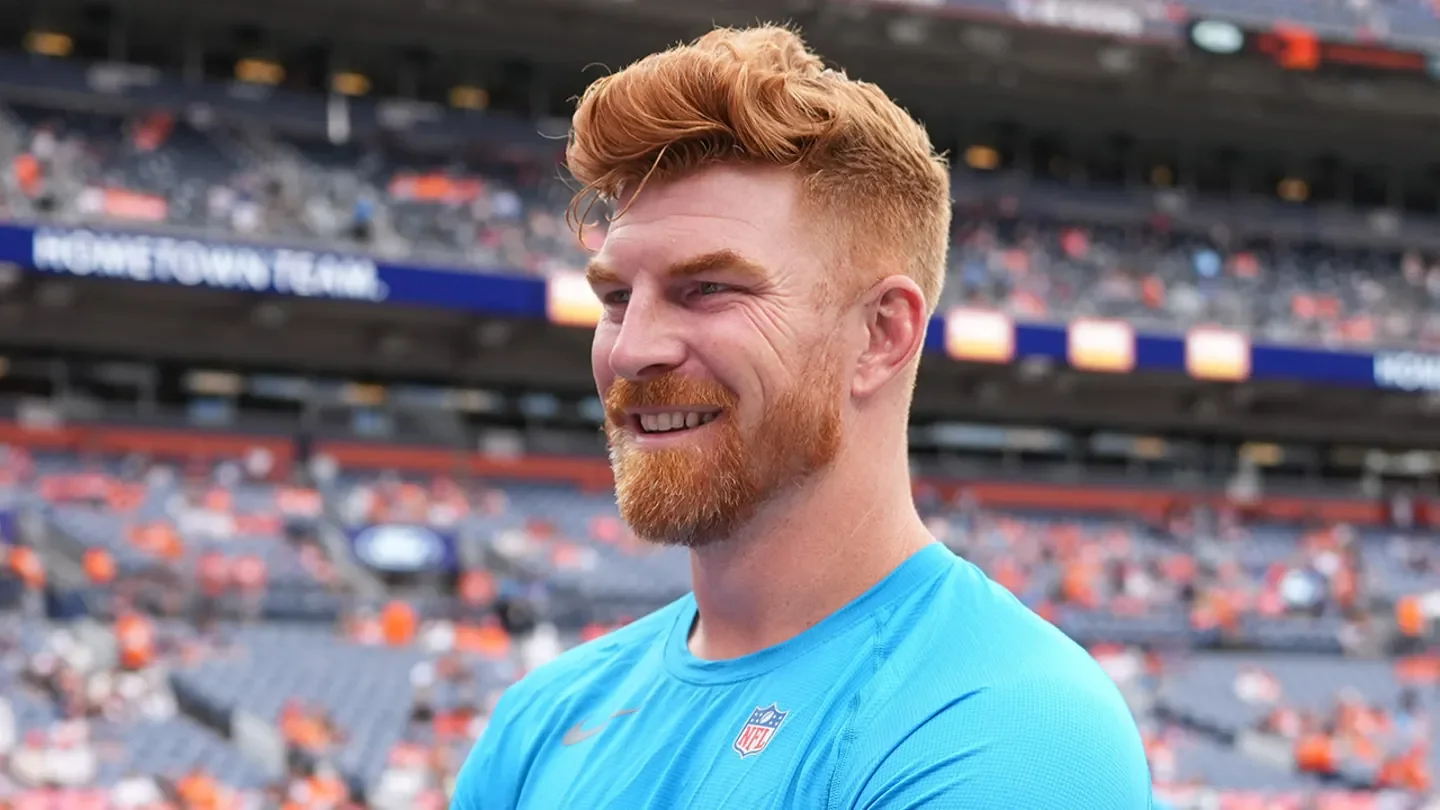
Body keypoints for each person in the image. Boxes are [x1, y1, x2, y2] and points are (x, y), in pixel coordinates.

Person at [452, 24, 1151, 809]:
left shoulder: (1011, 728)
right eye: (616, 298)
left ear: (882, 334)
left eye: (708, 288)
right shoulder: (540, 722)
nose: (631, 349)